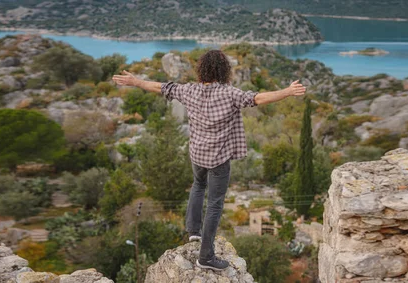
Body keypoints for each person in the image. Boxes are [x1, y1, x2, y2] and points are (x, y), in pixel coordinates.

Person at [112, 50, 306, 271]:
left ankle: (193, 231)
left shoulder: (189, 90)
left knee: (197, 185)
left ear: (201, 70)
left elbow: (161, 87)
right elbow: (257, 98)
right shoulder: (229, 94)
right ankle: (206, 256)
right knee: (215, 204)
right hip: (218, 159)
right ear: (224, 71)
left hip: (197, 154)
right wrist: (288, 91)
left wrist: (134, 81)